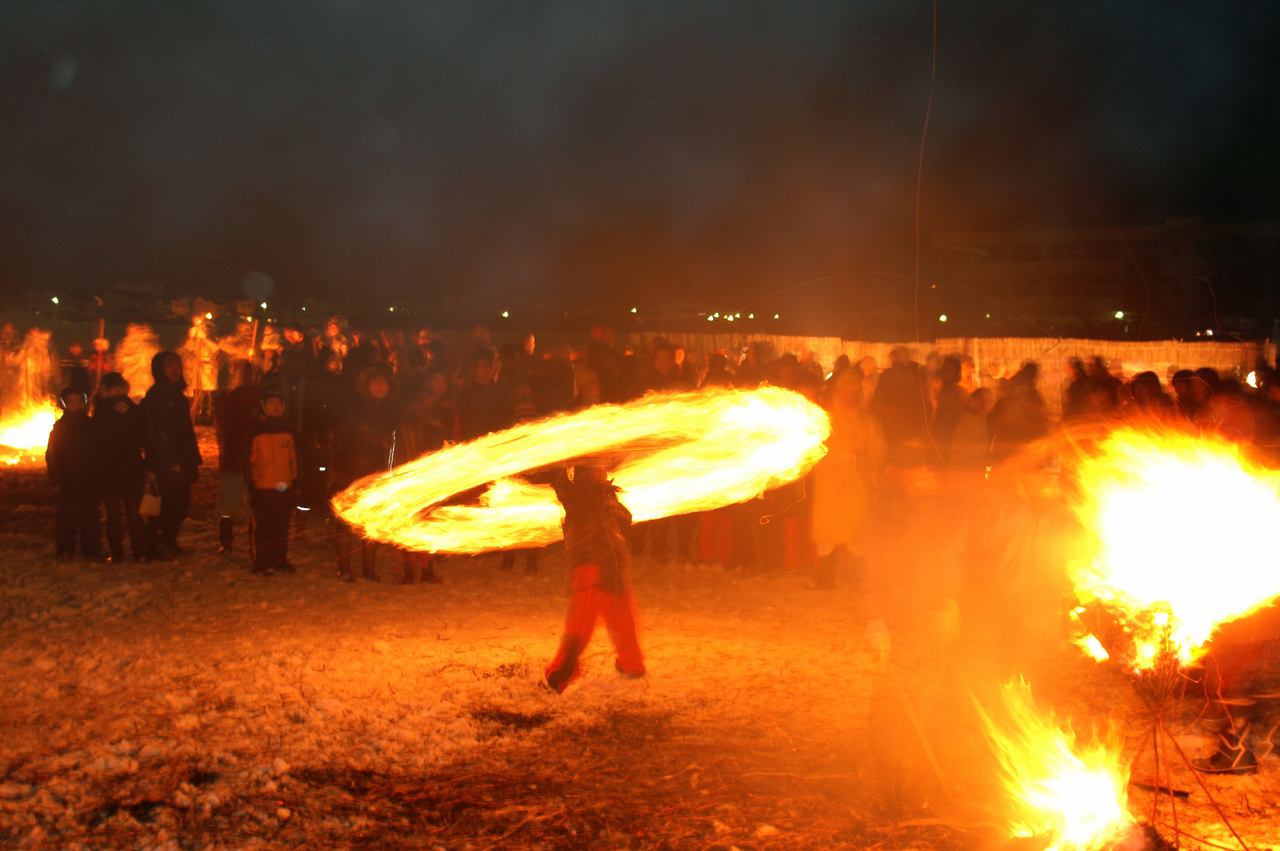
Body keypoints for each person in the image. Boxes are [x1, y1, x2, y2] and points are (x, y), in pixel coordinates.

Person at [544, 462, 645, 693]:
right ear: (585, 471)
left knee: (624, 619)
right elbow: (561, 486)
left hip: (611, 565)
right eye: (596, 468)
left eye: (601, 468)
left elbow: (625, 520)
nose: (602, 471)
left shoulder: (605, 493)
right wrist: (561, 463)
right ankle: (561, 672)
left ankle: (632, 666)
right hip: (588, 566)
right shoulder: (576, 493)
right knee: (581, 625)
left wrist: (616, 507)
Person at [332, 364, 398, 582]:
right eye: (375, 381)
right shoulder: (353, 410)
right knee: (345, 523)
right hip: (351, 473)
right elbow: (338, 440)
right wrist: (338, 470)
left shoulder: (389, 412)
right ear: (365, 385)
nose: (380, 386)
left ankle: (368, 569)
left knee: (371, 521)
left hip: (375, 475)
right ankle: (345, 569)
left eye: (384, 382)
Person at [140, 351, 203, 560]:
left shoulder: (180, 398)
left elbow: (186, 431)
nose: (175, 370)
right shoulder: (155, 398)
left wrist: (192, 458)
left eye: (178, 365)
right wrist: (169, 460)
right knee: (162, 504)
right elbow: (155, 433)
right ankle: (155, 545)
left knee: (179, 503)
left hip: (182, 459)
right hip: (163, 461)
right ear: (160, 370)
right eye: (169, 366)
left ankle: (170, 541)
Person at [92, 373, 147, 564]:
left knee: (127, 513)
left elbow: (140, 433)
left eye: (120, 387)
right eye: (114, 388)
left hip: (121, 466)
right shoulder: (106, 409)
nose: (118, 392)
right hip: (118, 467)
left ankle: (130, 552)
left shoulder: (124, 409)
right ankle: (127, 552)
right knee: (120, 513)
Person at [243, 384, 297, 576]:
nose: (275, 407)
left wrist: (295, 482)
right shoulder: (255, 430)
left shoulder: (288, 430)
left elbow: (293, 458)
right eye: (271, 403)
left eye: (278, 403)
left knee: (281, 526)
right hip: (263, 487)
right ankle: (261, 562)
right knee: (263, 527)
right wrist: (251, 484)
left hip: (284, 487)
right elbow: (248, 460)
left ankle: (279, 560)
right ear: (263, 406)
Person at [46, 386, 101, 561]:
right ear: (64, 405)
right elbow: (52, 455)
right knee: (66, 518)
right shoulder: (60, 428)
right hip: (68, 480)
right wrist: (55, 480)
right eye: (71, 402)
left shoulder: (92, 426)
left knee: (90, 517)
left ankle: (91, 549)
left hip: (90, 480)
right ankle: (65, 549)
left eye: (79, 401)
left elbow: (100, 453)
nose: (75, 405)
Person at [213, 363, 260, 554]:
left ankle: (253, 542)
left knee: (253, 505)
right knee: (228, 506)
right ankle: (226, 542)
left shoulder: (256, 394)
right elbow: (222, 427)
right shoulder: (226, 397)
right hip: (234, 460)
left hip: (251, 461)